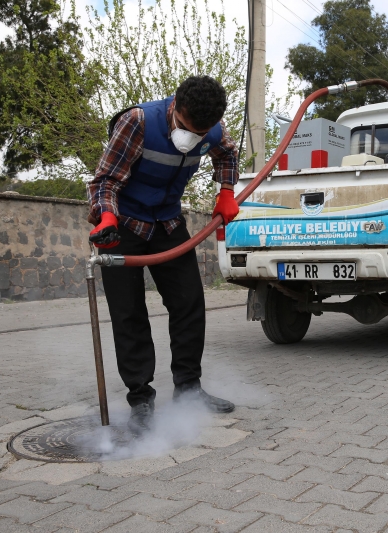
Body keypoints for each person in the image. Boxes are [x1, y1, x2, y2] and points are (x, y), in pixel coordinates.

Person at [87, 76, 241, 434]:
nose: (193, 137)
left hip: (169, 224)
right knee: (129, 314)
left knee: (189, 304)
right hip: (122, 226)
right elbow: (105, 180)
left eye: (201, 132)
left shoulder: (212, 130)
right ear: (176, 107)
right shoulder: (138, 121)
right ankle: (141, 399)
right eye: (188, 128)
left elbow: (228, 153)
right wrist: (106, 214)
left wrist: (227, 191)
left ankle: (189, 390)